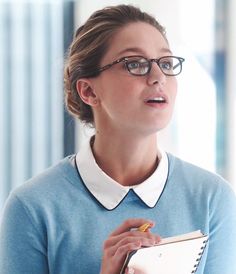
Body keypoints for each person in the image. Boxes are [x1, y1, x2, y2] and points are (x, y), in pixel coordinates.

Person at [0, 4, 236, 274]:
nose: (158, 77)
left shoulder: (212, 199)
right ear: (88, 91)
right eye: (135, 64)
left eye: (166, 63)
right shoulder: (32, 207)